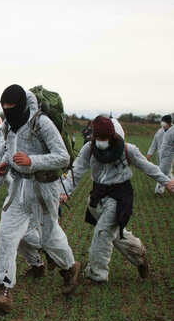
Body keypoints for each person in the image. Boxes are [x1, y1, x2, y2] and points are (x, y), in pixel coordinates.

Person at [0, 84, 82, 314]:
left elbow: (63, 157)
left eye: (11, 106)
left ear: (22, 105)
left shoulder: (41, 123)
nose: (7, 110)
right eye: (4, 106)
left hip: (44, 188)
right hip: (19, 187)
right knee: (6, 234)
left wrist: (32, 161)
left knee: (49, 235)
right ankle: (4, 291)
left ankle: (70, 268)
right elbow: (8, 153)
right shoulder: (8, 127)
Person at [60, 116, 174, 282]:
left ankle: (97, 274)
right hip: (97, 196)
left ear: (114, 137)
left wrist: (167, 182)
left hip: (119, 197)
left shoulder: (128, 150)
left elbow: (149, 168)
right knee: (115, 233)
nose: (101, 141)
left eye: (104, 138)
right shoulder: (89, 149)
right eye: (98, 138)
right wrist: (64, 192)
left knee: (103, 233)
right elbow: (75, 172)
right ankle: (138, 253)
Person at [147, 115, 171, 195]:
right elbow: (154, 144)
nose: (162, 124)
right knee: (166, 172)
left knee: (162, 171)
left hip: (169, 156)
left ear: (168, 123)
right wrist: (150, 153)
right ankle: (171, 184)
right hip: (159, 155)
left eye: (164, 122)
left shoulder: (172, 132)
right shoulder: (159, 132)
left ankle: (159, 189)